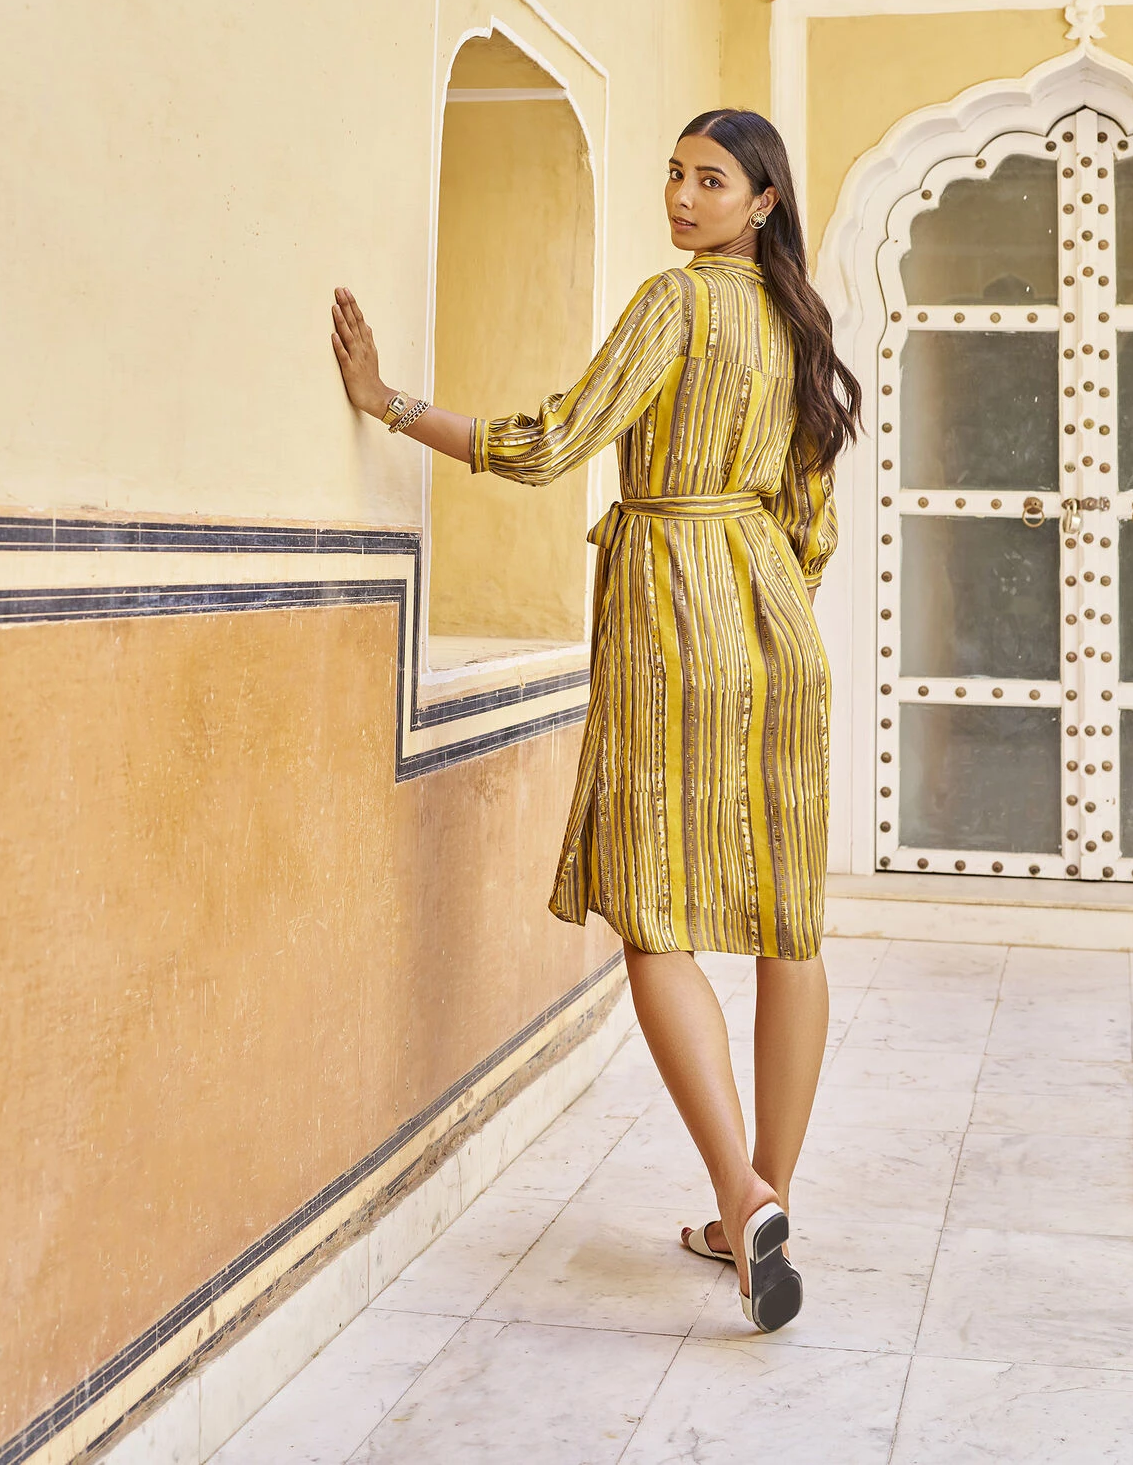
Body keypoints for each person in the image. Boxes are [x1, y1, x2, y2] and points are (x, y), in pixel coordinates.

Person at [331, 107, 861, 1331]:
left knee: (653, 917)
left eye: (710, 180)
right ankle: (760, 1209)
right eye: (674, 175)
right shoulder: (795, 325)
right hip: (779, 629)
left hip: (675, 619)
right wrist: (760, 602)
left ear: (762, 199)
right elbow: (810, 517)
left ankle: (741, 1198)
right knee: (790, 923)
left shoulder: (675, 304)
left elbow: (553, 442)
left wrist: (389, 402)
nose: (680, 197)